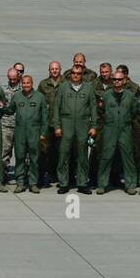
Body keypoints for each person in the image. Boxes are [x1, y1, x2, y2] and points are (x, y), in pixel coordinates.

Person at [54, 63, 96, 194]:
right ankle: (64, 183)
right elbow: (57, 107)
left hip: (83, 124)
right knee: (64, 153)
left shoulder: (88, 88)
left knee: (82, 154)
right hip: (66, 123)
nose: (76, 76)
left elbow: (93, 107)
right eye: (73, 73)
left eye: (78, 74)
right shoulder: (63, 87)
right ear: (70, 74)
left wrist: (94, 125)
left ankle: (82, 183)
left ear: (82, 75)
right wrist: (57, 126)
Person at [95, 70, 138, 195]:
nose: (117, 82)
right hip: (110, 129)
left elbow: (135, 112)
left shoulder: (130, 96)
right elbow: (101, 112)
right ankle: (102, 184)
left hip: (125, 129)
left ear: (124, 80)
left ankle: (130, 184)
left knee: (128, 157)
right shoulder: (106, 95)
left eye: (119, 79)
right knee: (106, 156)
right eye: (114, 79)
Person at [3, 75, 48, 194]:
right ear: (21, 84)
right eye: (24, 83)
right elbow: (10, 110)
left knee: (34, 159)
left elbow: (45, 117)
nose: (26, 85)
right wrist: (2, 107)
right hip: (20, 132)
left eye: (28, 83)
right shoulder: (17, 96)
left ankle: (33, 183)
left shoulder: (40, 97)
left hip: (35, 132)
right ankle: (20, 183)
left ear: (32, 83)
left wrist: (43, 133)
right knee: (20, 158)